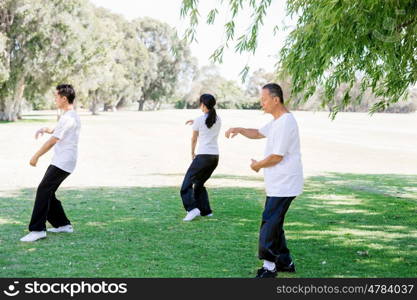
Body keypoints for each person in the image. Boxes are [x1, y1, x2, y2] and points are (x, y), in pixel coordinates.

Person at [225, 83, 303, 278]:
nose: (262, 104)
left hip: (285, 183)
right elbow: (259, 133)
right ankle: (285, 262)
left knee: (269, 223)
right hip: (278, 183)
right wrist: (240, 129)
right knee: (275, 223)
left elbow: (277, 156)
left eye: (264, 100)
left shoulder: (286, 122)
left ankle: (269, 267)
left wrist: (257, 165)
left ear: (276, 100)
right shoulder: (277, 121)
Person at [20, 84, 81, 242]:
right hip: (64, 161)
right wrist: (45, 129)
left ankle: (38, 229)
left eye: (56, 97)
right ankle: (63, 225)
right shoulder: (70, 115)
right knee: (48, 192)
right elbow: (58, 131)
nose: (54, 99)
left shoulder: (68, 117)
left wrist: (36, 156)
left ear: (64, 98)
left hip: (63, 162)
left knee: (43, 190)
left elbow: (53, 141)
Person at [180, 94, 221, 221]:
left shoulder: (200, 120)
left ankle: (192, 209)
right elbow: (207, 122)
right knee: (199, 184)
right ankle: (206, 211)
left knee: (186, 185)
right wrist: (195, 122)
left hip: (203, 156)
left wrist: (192, 153)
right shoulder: (218, 119)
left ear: (203, 105)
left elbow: (194, 139)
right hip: (214, 157)